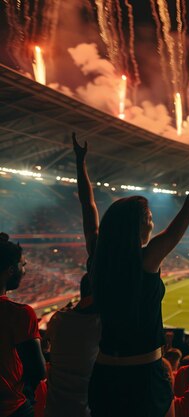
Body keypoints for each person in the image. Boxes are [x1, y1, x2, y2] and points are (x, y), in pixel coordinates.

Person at [88, 141, 189, 417]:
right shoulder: (147, 259)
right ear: (137, 226)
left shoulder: (98, 258)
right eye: (149, 217)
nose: (153, 222)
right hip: (144, 375)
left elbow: (87, 208)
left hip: (103, 374)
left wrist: (80, 165)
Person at [45, 134, 102, 417]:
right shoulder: (106, 325)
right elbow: (88, 209)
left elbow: (87, 208)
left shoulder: (58, 321)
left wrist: (80, 163)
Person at [0, 233, 46, 417]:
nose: (24, 271)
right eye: (23, 265)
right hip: (11, 407)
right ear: (11, 269)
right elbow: (37, 371)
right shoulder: (19, 313)